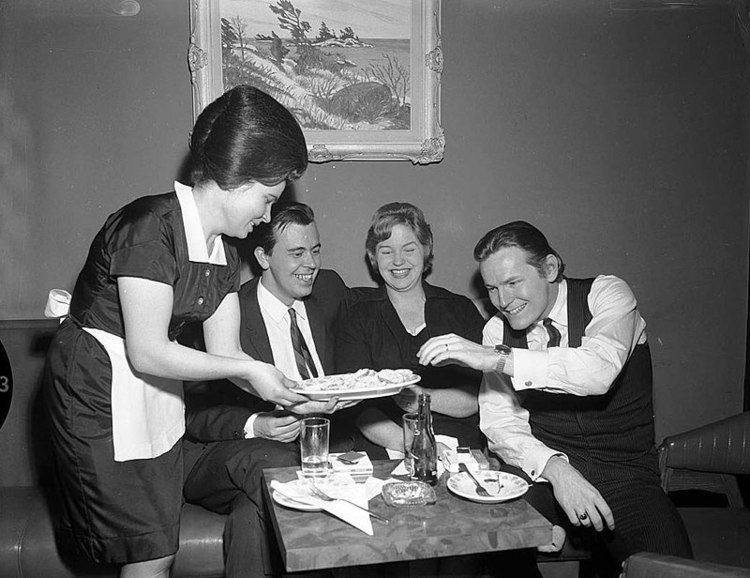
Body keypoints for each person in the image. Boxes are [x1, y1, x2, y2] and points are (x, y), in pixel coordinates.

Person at [42, 86, 340, 578]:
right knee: (140, 547)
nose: (267, 216)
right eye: (267, 199)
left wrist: (293, 394)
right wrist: (254, 370)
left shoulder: (225, 251)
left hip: (155, 390)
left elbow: (226, 352)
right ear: (235, 180)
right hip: (96, 390)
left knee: (160, 547)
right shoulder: (148, 226)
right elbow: (148, 350)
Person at [417, 220, 693, 577]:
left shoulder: (606, 295)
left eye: (513, 283)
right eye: (492, 289)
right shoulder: (497, 330)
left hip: (627, 477)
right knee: (497, 541)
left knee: (672, 570)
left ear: (549, 268)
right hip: (545, 471)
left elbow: (598, 370)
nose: (503, 301)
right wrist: (557, 470)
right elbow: (500, 424)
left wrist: (499, 359)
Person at [182, 202, 365, 578]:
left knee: (255, 511)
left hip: (310, 453)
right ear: (263, 257)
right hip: (231, 454)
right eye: (296, 253)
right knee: (279, 468)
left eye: (315, 250)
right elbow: (194, 413)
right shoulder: (228, 311)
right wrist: (257, 423)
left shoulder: (329, 290)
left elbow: (355, 358)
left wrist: (352, 391)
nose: (311, 264)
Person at [336, 202, 486, 457]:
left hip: (459, 443)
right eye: (386, 251)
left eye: (409, 249)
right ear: (373, 256)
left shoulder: (460, 309)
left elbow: (477, 397)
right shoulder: (357, 316)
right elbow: (359, 408)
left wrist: (421, 399)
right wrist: (416, 444)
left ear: (426, 250)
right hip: (386, 442)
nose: (398, 261)